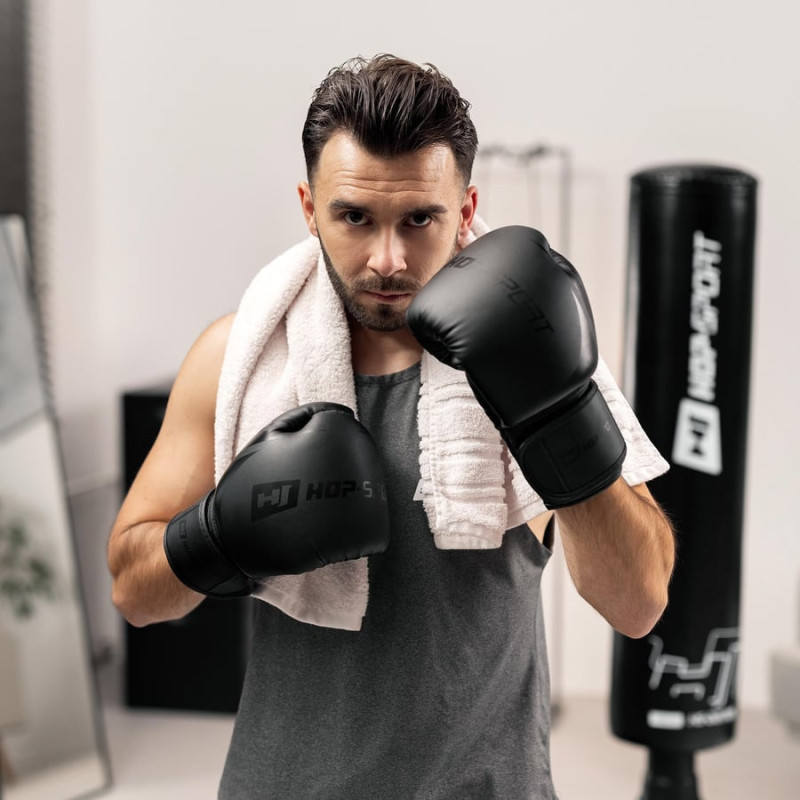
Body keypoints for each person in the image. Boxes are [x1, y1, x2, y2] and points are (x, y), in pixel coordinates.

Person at [108, 54, 675, 799]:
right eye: (354, 217)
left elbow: (638, 604)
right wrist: (221, 533)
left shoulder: (530, 348)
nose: (387, 259)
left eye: (419, 219)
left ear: (466, 211)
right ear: (309, 207)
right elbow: (133, 593)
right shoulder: (235, 359)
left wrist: (556, 409)